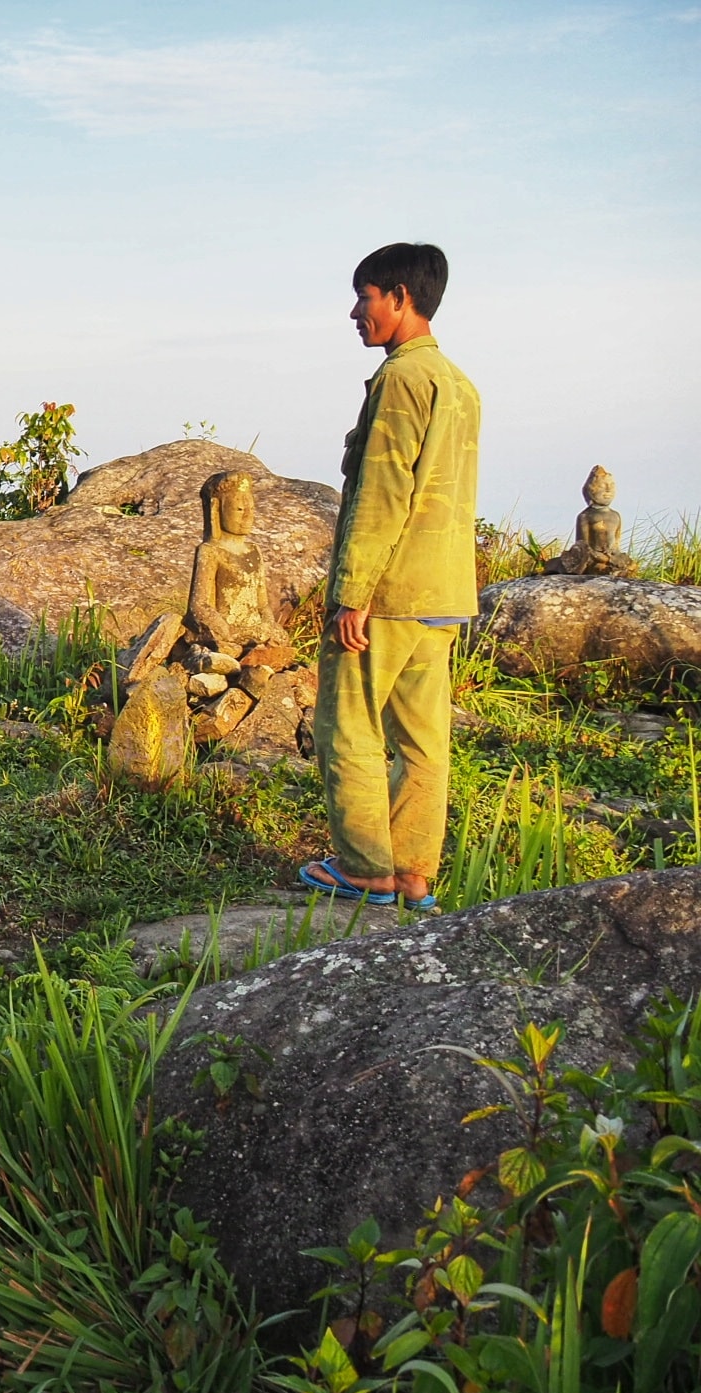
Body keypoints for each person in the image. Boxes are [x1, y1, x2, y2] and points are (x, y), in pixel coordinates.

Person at [301, 243, 480, 909]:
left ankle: (366, 868)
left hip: (391, 594)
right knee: (425, 742)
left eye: (366, 296)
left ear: (401, 297)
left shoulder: (402, 380)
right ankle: (412, 871)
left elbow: (382, 495)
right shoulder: (460, 385)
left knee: (346, 724)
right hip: (443, 595)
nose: (356, 311)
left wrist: (353, 595)